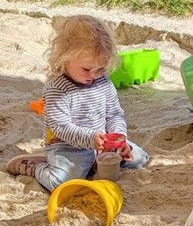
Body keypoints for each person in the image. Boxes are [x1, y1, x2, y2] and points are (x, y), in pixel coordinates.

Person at [6, 15, 149, 190]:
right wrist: (90, 139)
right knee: (61, 183)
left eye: (101, 68)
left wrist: (120, 138)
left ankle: (93, 165)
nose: (94, 75)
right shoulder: (57, 89)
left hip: (101, 144)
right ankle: (36, 166)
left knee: (140, 158)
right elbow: (61, 128)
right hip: (68, 147)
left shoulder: (103, 81)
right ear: (65, 57)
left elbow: (114, 113)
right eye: (87, 69)